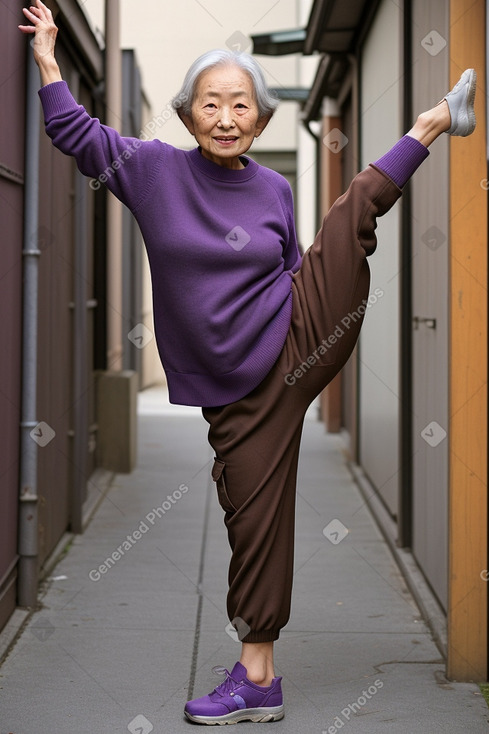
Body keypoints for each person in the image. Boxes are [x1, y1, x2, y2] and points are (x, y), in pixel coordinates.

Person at [20, 0, 477, 726]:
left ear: (261, 121)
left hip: (294, 339)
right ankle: (259, 680)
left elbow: (294, 266)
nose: (227, 116)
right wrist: (48, 55)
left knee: (343, 217)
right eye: (211, 103)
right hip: (233, 387)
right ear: (188, 113)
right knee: (251, 516)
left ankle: (428, 125)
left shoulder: (273, 187)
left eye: (241, 105)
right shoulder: (150, 170)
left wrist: (315, 317)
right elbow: (71, 132)